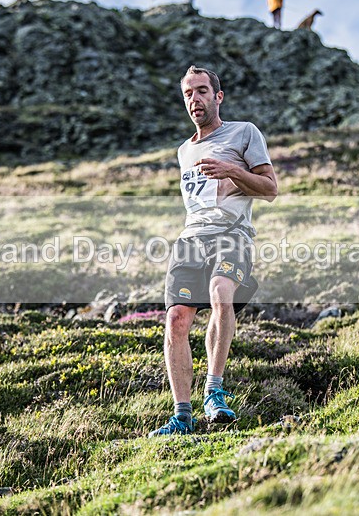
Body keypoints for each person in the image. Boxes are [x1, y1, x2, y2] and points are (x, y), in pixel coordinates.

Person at [149, 66, 278, 437]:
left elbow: (270, 189)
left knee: (221, 292)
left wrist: (231, 170)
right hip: (191, 239)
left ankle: (214, 390)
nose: (195, 99)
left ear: (218, 96)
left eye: (202, 91)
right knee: (176, 319)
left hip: (232, 234)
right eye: (188, 93)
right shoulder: (184, 151)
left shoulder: (244, 132)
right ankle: (182, 417)